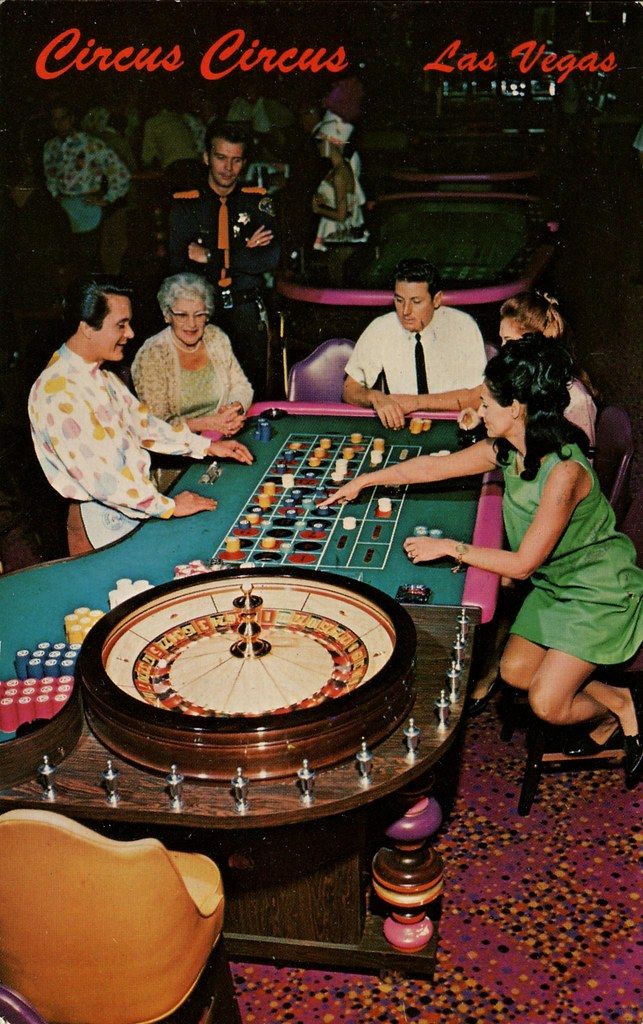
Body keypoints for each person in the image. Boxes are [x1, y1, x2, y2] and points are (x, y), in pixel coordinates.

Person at [323, 338, 643, 789]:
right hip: (558, 586)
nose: (477, 407)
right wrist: (367, 481)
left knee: (547, 703)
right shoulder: (509, 450)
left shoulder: (564, 472)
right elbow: (437, 468)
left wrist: (453, 548)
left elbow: (523, 564)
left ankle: (625, 705)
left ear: (517, 409)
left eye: (487, 400)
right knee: (513, 672)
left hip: (598, 591)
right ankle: (615, 701)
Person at [28, 276, 253, 554]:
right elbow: (105, 483)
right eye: (121, 325)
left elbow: (144, 426)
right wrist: (170, 505)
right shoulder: (59, 392)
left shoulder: (101, 376)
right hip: (99, 525)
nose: (130, 334)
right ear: (86, 328)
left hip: (132, 507)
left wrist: (206, 446)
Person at [168, 120, 280, 399]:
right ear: (206, 157)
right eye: (220, 158)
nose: (228, 168)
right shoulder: (186, 204)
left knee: (254, 391)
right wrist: (243, 249)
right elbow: (179, 261)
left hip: (244, 309)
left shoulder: (257, 202)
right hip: (202, 313)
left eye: (236, 160)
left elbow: (267, 259)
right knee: (203, 393)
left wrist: (209, 255)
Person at [406, 290, 598, 449]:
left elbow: (581, 471)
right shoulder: (515, 377)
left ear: (537, 344)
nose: (503, 349)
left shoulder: (577, 400)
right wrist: (484, 416)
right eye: (502, 340)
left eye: (510, 341)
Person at [343, 257, 486, 427]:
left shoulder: (464, 326)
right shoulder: (381, 327)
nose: (405, 311)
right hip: (403, 427)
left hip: (455, 424)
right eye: (399, 300)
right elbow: (349, 389)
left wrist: (416, 402)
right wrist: (374, 396)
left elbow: (479, 396)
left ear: (437, 299)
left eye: (416, 301)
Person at [131, 273, 253, 436]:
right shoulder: (151, 354)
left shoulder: (216, 337)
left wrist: (233, 408)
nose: (192, 324)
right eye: (182, 315)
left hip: (223, 433)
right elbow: (157, 423)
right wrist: (209, 424)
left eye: (199, 315)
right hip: (178, 449)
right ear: (167, 315)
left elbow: (241, 386)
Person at [43, 104, 131, 273]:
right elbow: (50, 175)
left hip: (87, 209)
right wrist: (56, 195)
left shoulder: (91, 144)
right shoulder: (50, 146)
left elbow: (121, 173)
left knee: (88, 263)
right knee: (67, 264)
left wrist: (107, 198)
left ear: (71, 119)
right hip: (63, 210)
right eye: (54, 120)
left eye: (63, 119)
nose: (59, 124)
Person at [312, 110, 366, 252]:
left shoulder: (339, 174)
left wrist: (318, 209)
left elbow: (341, 215)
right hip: (333, 231)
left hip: (338, 233)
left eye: (321, 142)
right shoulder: (340, 168)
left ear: (331, 143)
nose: (318, 147)